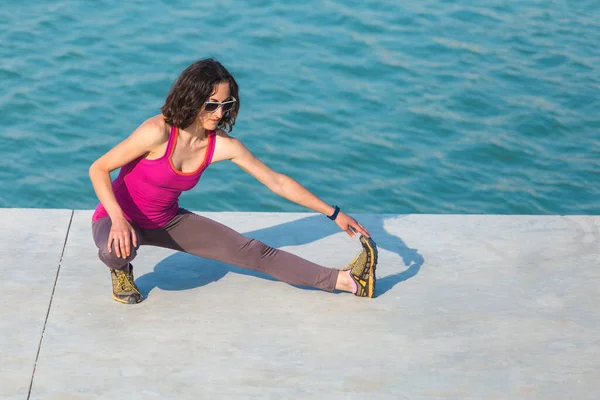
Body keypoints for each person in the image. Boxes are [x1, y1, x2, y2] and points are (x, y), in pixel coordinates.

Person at [89, 58, 377, 304]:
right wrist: (117, 219)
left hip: (168, 221)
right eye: (211, 105)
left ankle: (347, 281)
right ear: (192, 99)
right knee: (115, 250)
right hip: (116, 219)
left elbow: (276, 182)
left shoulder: (222, 145)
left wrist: (333, 213)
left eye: (226, 104)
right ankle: (121, 269)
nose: (220, 113)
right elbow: (99, 169)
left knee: (254, 251)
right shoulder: (157, 131)